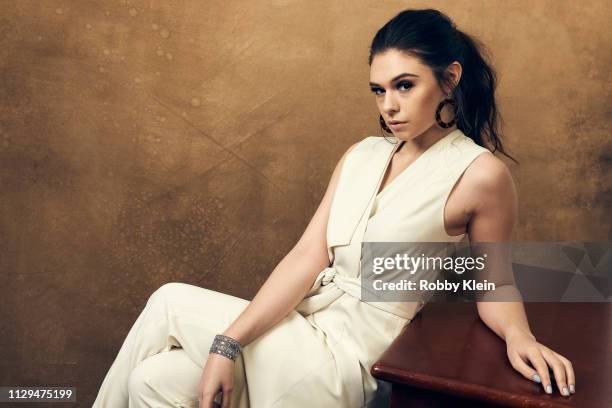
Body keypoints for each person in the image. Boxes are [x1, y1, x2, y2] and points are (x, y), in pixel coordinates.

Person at [93, 8, 576, 408]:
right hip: (301, 329)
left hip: (351, 360)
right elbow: (306, 258)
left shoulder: (480, 174)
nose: (389, 105)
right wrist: (232, 343)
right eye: (379, 90)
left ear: (449, 80)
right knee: (152, 380)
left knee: (169, 300)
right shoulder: (361, 154)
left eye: (405, 85)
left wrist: (520, 338)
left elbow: (493, 279)